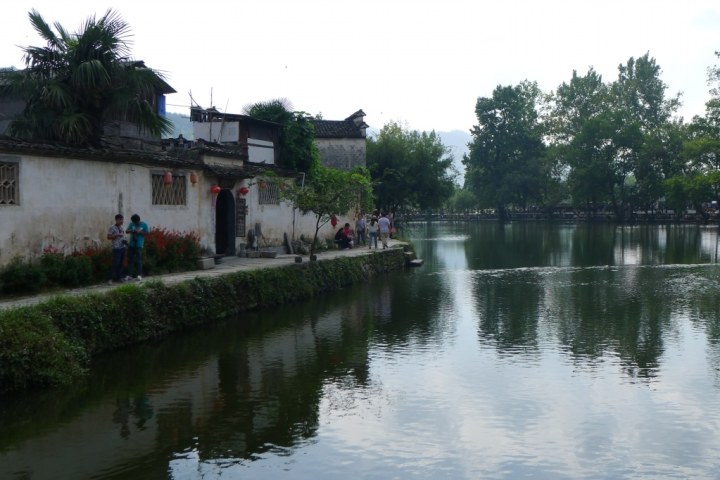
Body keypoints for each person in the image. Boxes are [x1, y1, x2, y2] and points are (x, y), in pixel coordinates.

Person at [126, 213, 149, 280]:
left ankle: (139, 275)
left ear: (138, 220)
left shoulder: (144, 225)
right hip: (131, 244)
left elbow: (147, 233)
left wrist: (140, 232)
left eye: (136, 222)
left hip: (139, 244)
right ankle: (129, 275)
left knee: (139, 260)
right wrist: (132, 230)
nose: (135, 224)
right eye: (134, 222)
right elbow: (127, 231)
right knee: (130, 260)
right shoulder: (131, 224)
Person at [107, 214, 127, 284]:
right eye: (120, 220)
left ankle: (119, 277)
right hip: (116, 248)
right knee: (116, 263)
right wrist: (116, 235)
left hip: (122, 247)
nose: (122, 221)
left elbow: (123, 236)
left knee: (121, 263)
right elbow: (108, 237)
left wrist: (125, 241)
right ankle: (110, 278)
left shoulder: (121, 227)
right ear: (116, 220)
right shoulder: (112, 227)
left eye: (122, 219)